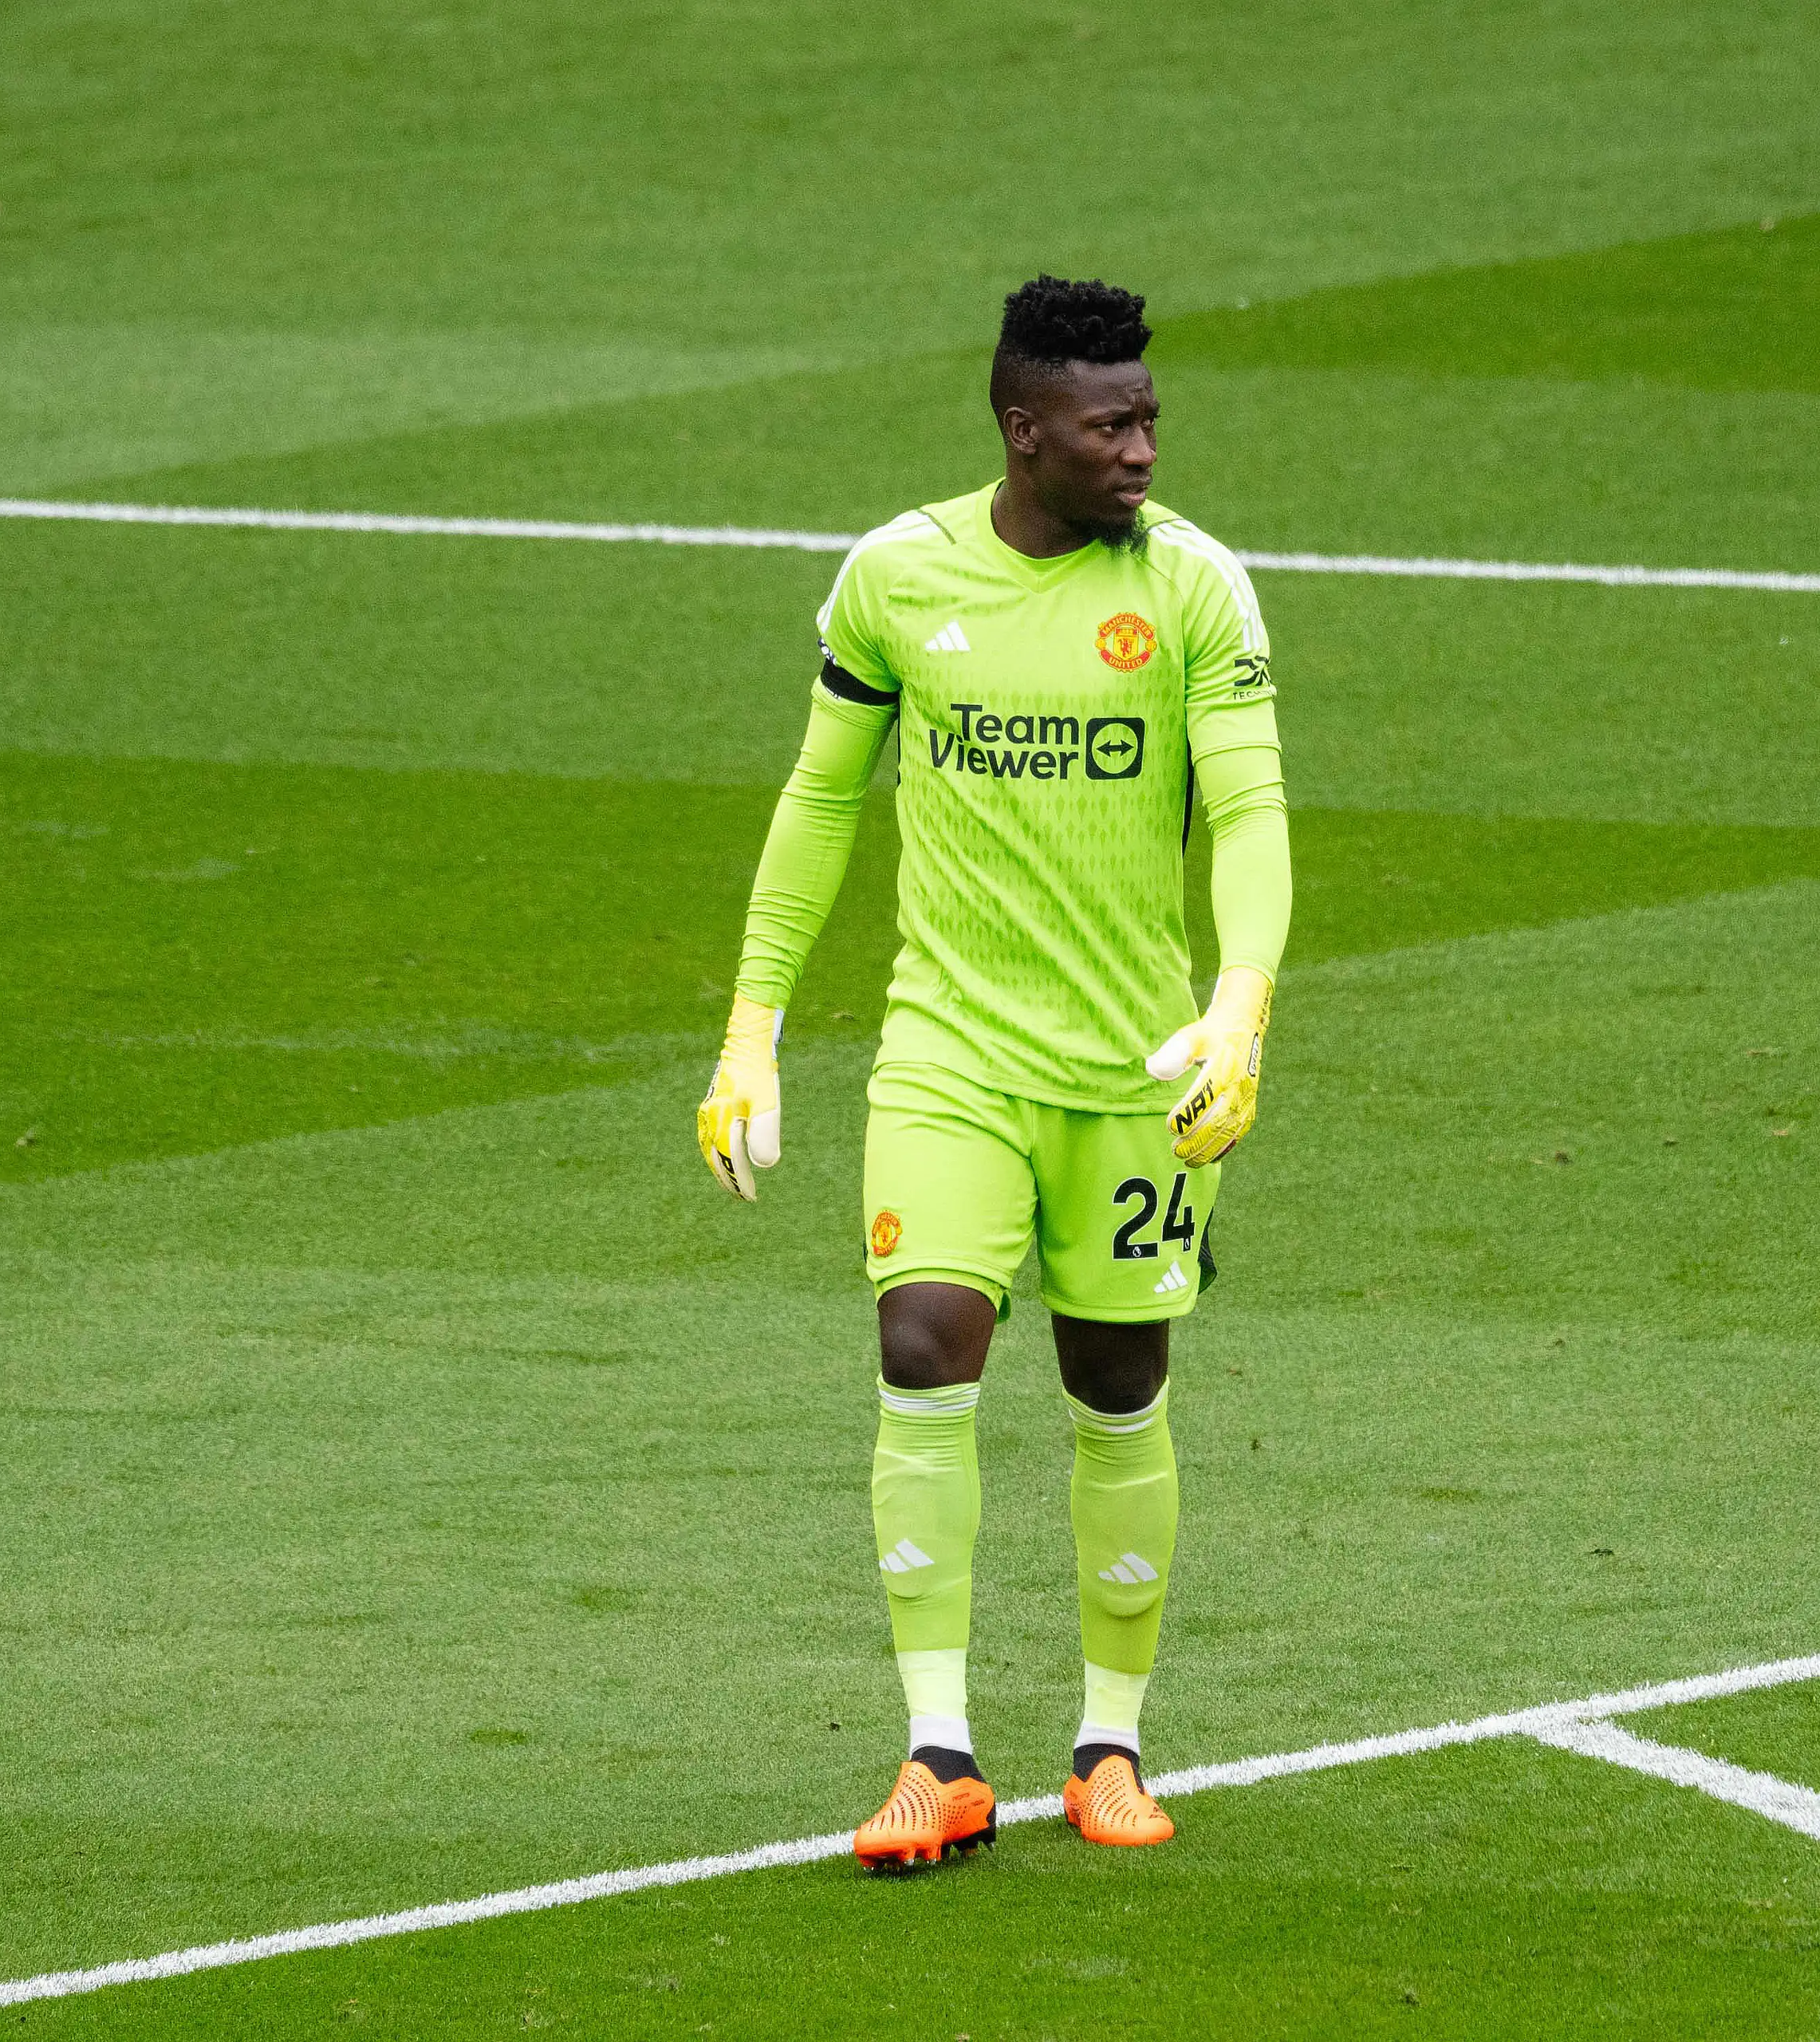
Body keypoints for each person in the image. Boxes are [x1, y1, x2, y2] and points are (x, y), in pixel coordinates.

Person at [697, 274, 1290, 1869]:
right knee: (923, 1335)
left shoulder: (1197, 593)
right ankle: (938, 1749)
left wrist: (1237, 1009)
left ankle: (1110, 1738)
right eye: (1111, 424)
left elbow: (1246, 813)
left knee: (1117, 1385)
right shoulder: (898, 579)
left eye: (1152, 416)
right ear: (1024, 431)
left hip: (1136, 1069)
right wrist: (753, 1022)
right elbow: (823, 801)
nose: (1144, 449)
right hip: (947, 1051)